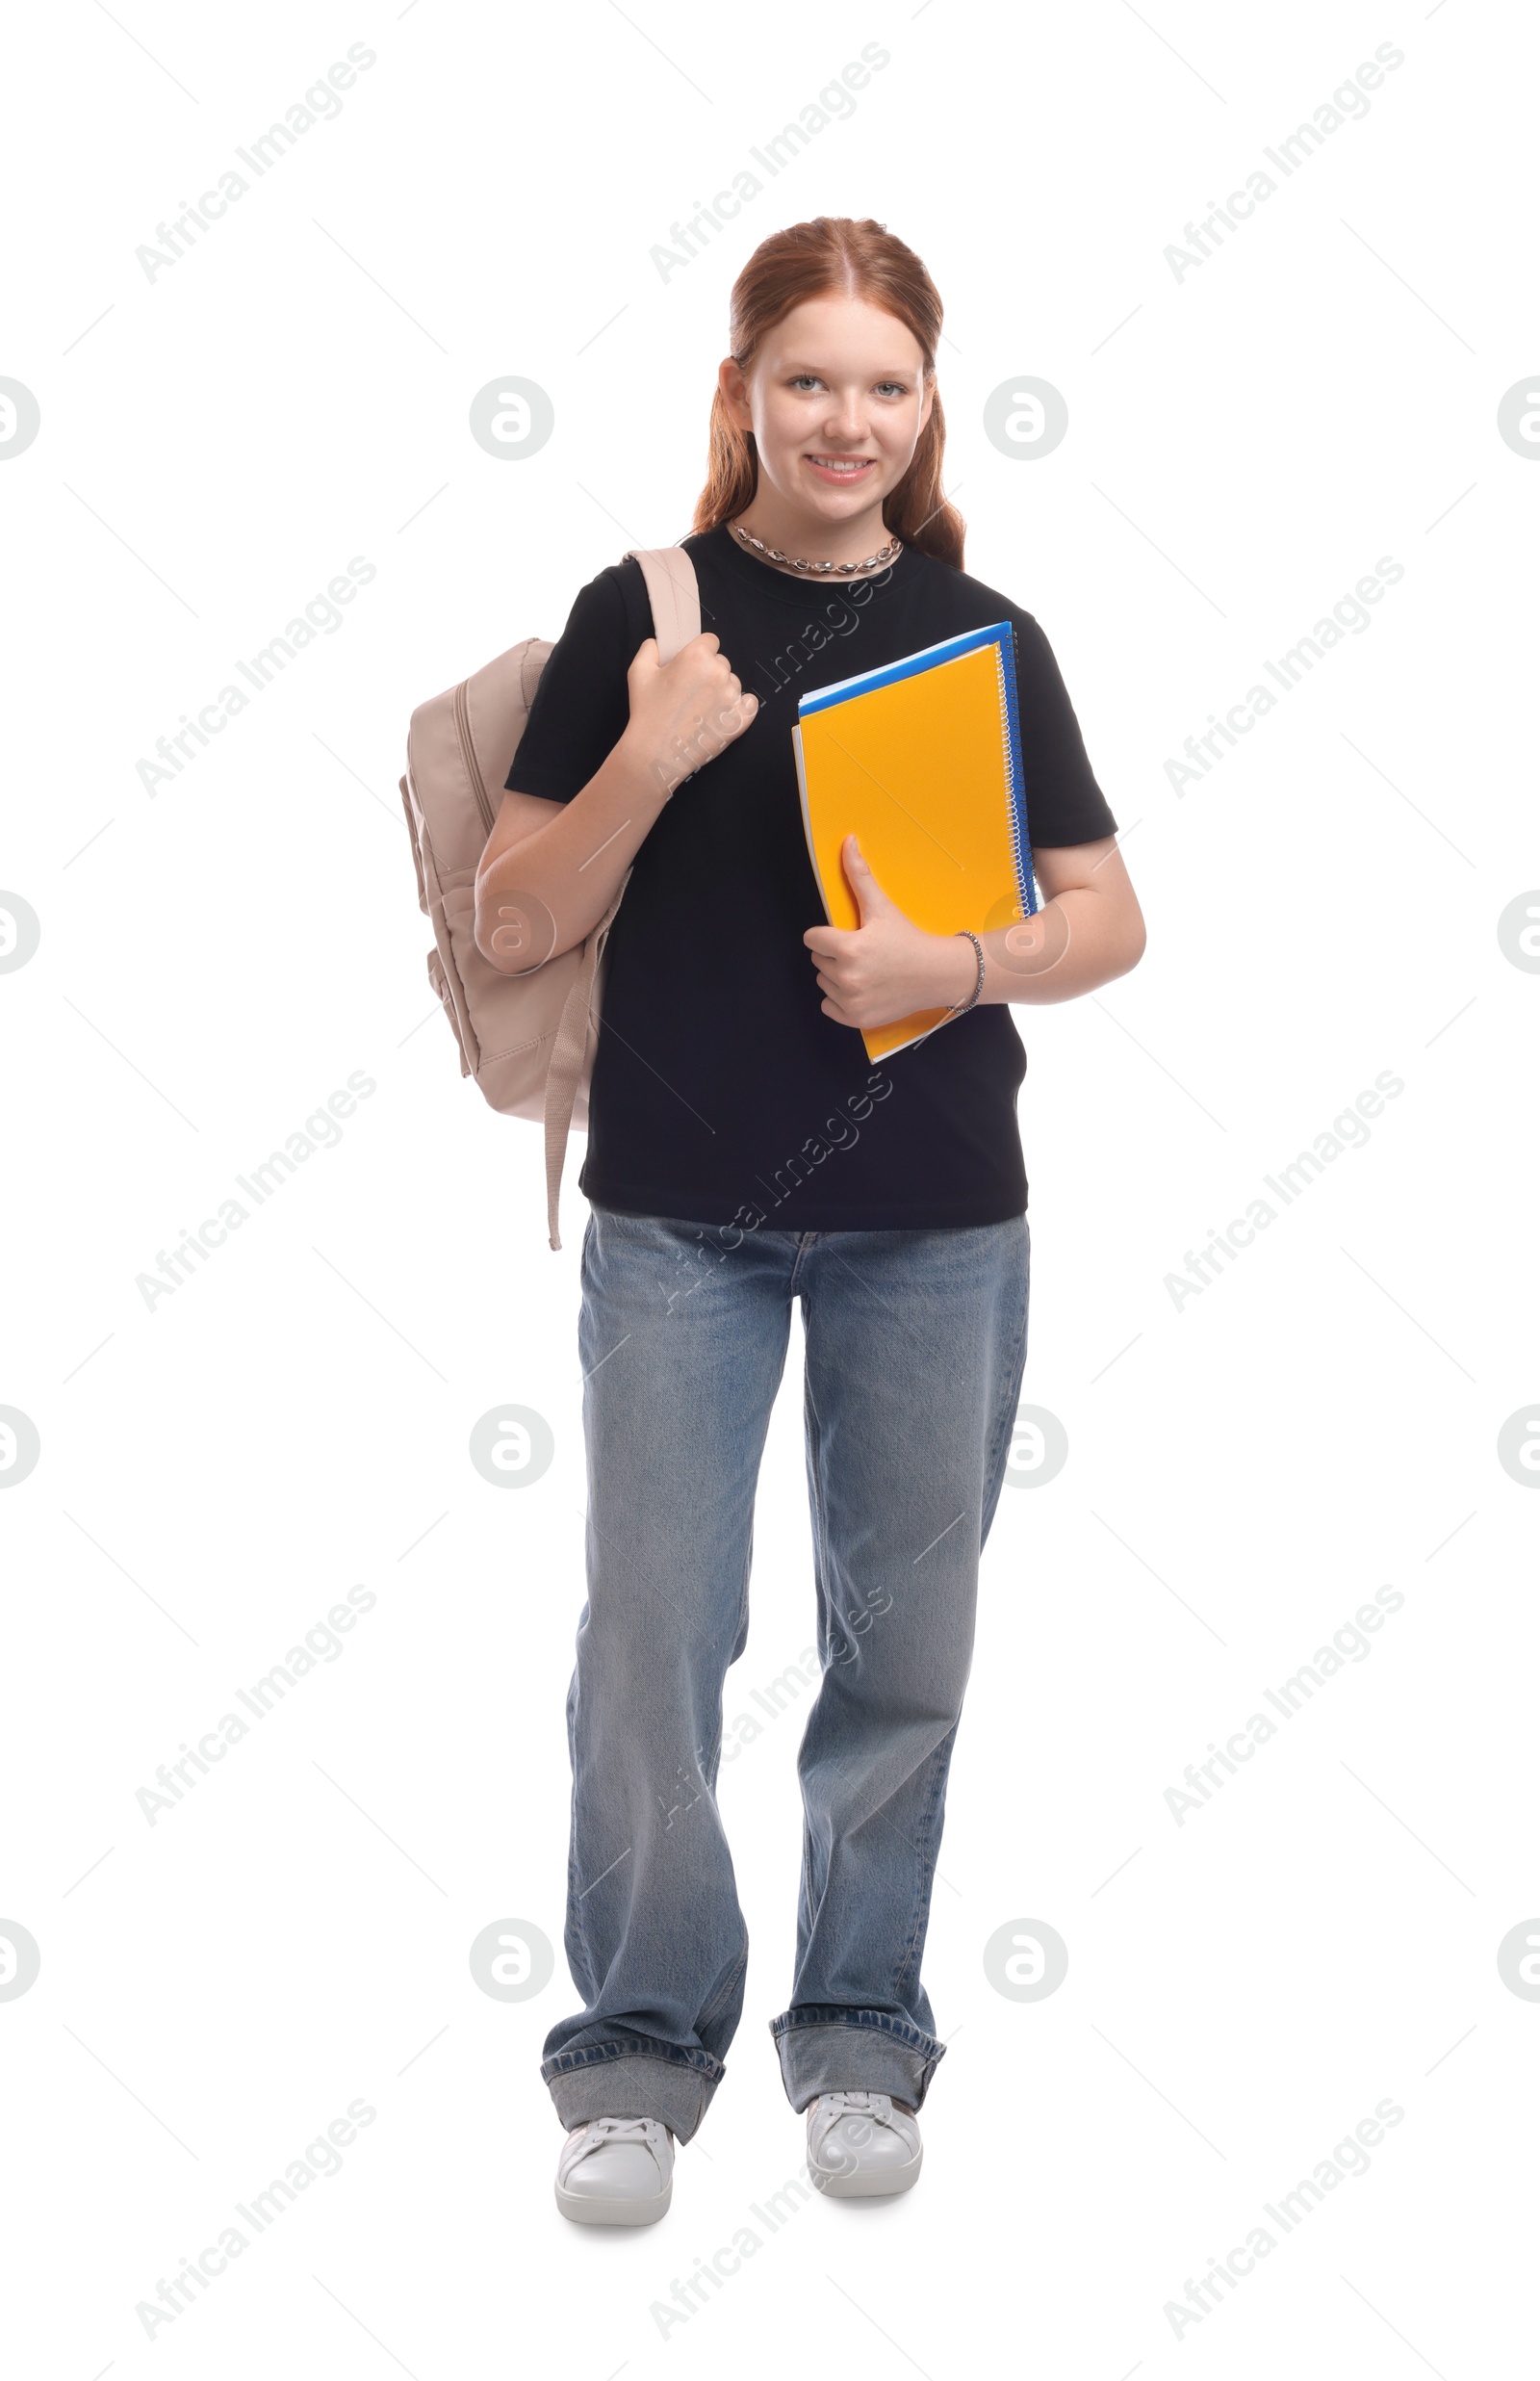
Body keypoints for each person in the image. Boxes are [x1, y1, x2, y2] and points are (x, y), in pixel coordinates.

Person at [473, 215, 1145, 2226]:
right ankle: (637, 2053)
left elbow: (1110, 913)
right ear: (738, 392)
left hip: (934, 1215)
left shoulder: (981, 632)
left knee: (903, 1641)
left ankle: (858, 2035)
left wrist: (959, 949)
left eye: (883, 385)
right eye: (806, 379)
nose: (843, 419)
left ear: (924, 405)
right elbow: (515, 913)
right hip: (682, 1220)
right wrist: (653, 753)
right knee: (655, 1635)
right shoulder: (640, 616)